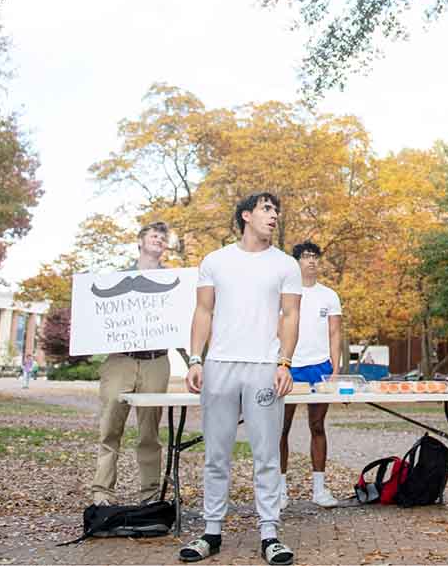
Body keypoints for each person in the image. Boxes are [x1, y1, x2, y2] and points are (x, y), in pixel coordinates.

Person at [179, 193, 302, 566]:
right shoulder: (215, 261)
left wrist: (285, 363)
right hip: (219, 366)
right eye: (267, 209)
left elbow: (291, 316)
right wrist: (195, 359)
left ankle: (270, 534)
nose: (274, 216)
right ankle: (211, 532)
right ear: (246, 215)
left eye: (276, 210)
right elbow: (203, 310)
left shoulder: (286, 265)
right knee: (217, 453)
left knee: (266, 454)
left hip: (264, 366)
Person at [90, 221, 174, 506]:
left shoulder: (174, 281)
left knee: (150, 431)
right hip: (121, 361)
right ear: (140, 241)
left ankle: (150, 496)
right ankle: (102, 491)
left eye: (163, 237)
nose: (159, 240)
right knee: (110, 426)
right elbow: (100, 319)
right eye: (154, 235)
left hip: (156, 360)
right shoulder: (115, 279)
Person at [278, 241, 343, 509]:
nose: (312, 261)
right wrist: (277, 363)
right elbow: (275, 329)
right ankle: (280, 492)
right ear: (296, 262)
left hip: (320, 367)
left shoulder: (329, 295)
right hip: (289, 365)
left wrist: (335, 368)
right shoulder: (283, 293)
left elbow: (335, 332)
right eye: (306, 256)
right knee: (281, 429)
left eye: (315, 257)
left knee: (317, 426)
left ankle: (319, 489)